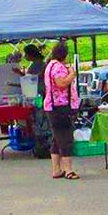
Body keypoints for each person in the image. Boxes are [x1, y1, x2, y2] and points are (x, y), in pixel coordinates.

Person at [43, 41, 80, 180]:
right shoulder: (58, 67)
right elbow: (61, 84)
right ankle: (68, 169)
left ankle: (56, 169)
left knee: (56, 138)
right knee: (65, 137)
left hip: (53, 106)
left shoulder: (49, 65)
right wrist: (72, 74)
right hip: (60, 106)